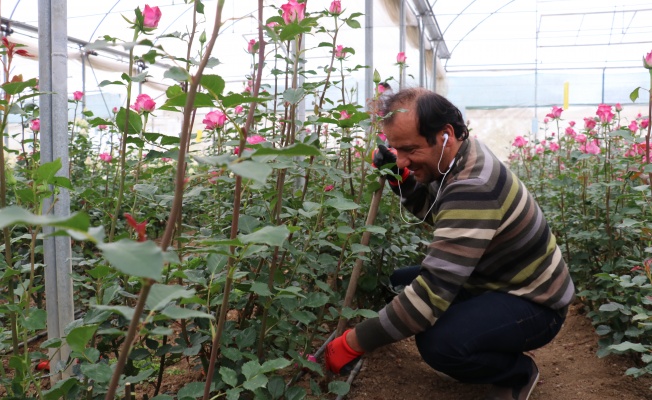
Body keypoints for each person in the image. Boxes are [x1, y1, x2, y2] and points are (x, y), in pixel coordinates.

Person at [324, 88, 575, 400]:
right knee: (401, 281)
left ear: (445, 135)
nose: (401, 157)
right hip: (493, 278)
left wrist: (353, 342)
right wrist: (400, 177)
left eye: (409, 149)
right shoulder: (461, 154)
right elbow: (436, 211)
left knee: (440, 344)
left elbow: (432, 294)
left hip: (536, 302)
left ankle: (517, 373)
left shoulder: (473, 185)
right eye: (395, 148)